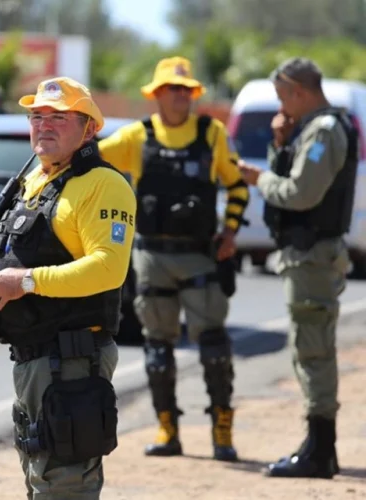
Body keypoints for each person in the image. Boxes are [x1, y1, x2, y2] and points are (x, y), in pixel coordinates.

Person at [0, 76, 136, 499]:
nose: (44, 125)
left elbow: (108, 268)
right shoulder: (39, 179)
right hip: (35, 358)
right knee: (42, 475)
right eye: (37, 116)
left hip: (72, 360)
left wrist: (24, 281)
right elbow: (31, 244)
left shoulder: (103, 184)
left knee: (65, 484)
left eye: (59, 117)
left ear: (89, 128)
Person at [97, 56, 250, 462]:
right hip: (152, 255)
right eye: (172, 90)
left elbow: (237, 187)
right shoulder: (136, 136)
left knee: (214, 347)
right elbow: (92, 161)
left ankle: (222, 430)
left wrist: (230, 233)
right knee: (158, 350)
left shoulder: (211, 133)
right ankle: (168, 430)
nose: (181, 96)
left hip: (200, 254)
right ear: (157, 95)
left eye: (186, 90)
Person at [238, 57, 356, 479]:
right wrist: (279, 143)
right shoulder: (311, 129)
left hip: (312, 258)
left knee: (313, 353)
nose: (281, 106)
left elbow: (300, 193)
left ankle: (320, 450)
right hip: (305, 258)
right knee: (308, 350)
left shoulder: (324, 130)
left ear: (298, 91)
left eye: (282, 97)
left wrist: (260, 178)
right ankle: (318, 444)